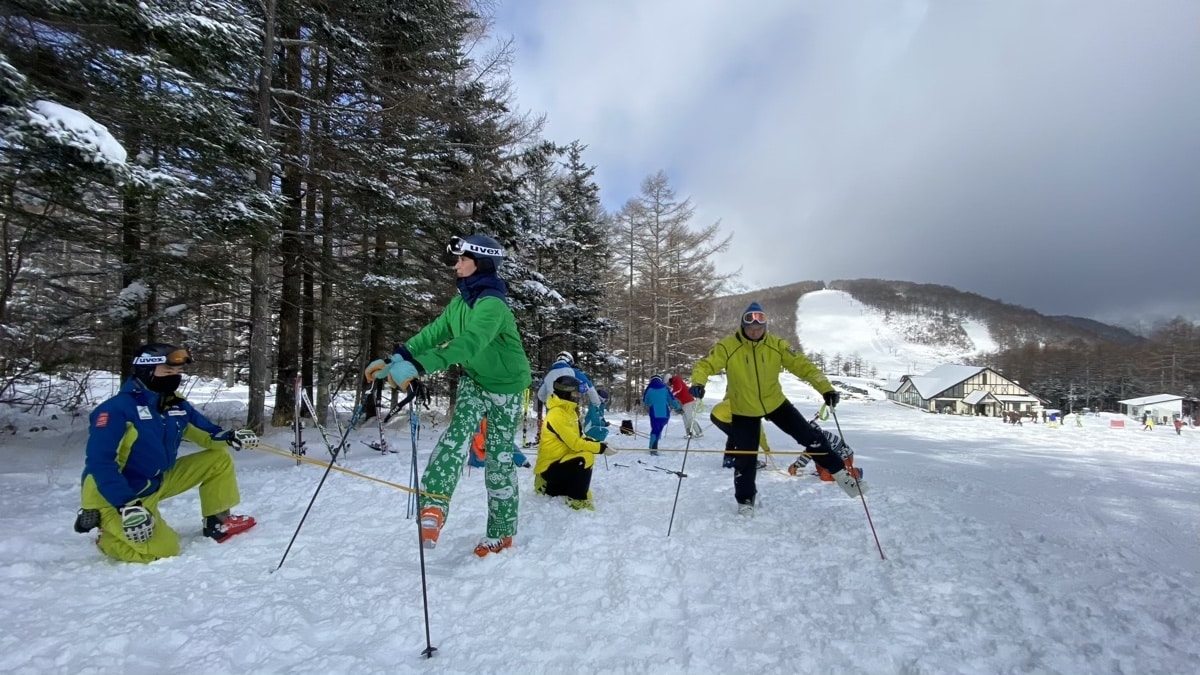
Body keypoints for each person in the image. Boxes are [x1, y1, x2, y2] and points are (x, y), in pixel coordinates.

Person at [367, 234, 531, 558]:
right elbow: (434, 333)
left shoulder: (492, 305)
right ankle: (433, 507)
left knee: (498, 460)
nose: (456, 266)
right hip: (475, 381)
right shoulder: (460, 302)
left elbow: (469, 343)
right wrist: (397, 358)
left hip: (508, 389)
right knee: (456, 436)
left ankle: (501, 533)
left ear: (481, 263)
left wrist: (419, 366)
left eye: (462, 259)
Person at [76, 343, 258, 563]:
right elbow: (100, 462)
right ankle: (108, 536)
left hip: (156, 480)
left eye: (178, 372)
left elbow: (206, 433)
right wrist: (126, 505)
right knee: (164, 550)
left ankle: (218, 522)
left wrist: (229, 436)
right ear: (146, 370)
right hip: (121, 495)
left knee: (217, 459)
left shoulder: (173, 404)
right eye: (168, 371)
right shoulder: (116, 409)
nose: (174, 377)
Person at [690, 302, 867, 516]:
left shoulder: (776, 344)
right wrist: (699, 383)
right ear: (742, 327)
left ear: (765, 327)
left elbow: (804, 366)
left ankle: (843, 476)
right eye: (750, 329)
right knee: (746, 457)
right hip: (744, 407)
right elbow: (705, 365)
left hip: (775, 402)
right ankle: (745, 500)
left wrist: (826, 389)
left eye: (759, 329)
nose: (755, 333)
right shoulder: (728, 346)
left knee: (811, 437)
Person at [534, 376, 618, 510]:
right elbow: (575, 444)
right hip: (549, 467)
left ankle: (557, 488)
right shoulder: (557, 414)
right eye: (575, 393)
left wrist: (601, 444)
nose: (577, 396)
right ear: (566, 393)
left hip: (561, 460)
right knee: (586, 457)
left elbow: (580, 437)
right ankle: (576, 498)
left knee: (585, 453)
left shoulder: (570, 412)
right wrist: (600, 449)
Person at [710, 399, 770, 469]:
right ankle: (748, 463)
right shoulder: (754, 412)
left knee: (734, 436)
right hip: (722, 416)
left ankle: (728, 460)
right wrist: (766, 449)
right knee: (743, 438)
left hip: (715, 413)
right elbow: (760, 434)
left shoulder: (752, 400)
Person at [641, 374, 681, 456]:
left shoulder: (649, 389)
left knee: (655, 430)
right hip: (665, 413)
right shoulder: (665, 388)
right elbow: (672, 399)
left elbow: (645, 401)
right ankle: (655, 443)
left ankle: (653, 449)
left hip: (654, 412)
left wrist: (650, 403)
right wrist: (678, 408)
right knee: (659, 429)